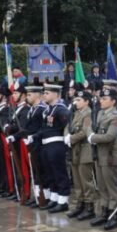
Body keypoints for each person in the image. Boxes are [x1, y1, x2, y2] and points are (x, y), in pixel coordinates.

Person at [88, 88, 117, 227]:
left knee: (112, 187)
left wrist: (93, 137)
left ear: (113, 101)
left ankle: (114, 215)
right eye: (101, 98)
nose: (101, 101)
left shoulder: (115, 116)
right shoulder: (99, 113)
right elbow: (91, 127)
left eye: (105, 99)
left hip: (110, 155)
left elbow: (110, 136)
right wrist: (91, 134)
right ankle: (104, 212)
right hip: (99, 154)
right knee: (101, 186)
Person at [38, 83, 72, 213]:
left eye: (47, 93)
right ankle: (55, 198)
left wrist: (68, 138)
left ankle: (63, 200)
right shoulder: (48, 109)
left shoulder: (61, 109)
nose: (44, 95)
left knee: (59, 172)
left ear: (56, 94)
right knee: (50, 173)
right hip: (46, 144)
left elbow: (68, 125)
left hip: (56, 144)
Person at [66, 89, 97, 220]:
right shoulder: (76, 113)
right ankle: (80, 204)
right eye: (75, 100)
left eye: (79, 100)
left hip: (85, 150)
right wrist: (66, 135)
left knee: (85, 180)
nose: (76, 102)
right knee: (77, 180)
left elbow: (85, 132)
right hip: (75, 150)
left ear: (87, 101)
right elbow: (68, 127)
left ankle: (89, 207)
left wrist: (71, 139)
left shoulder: (88, 114)